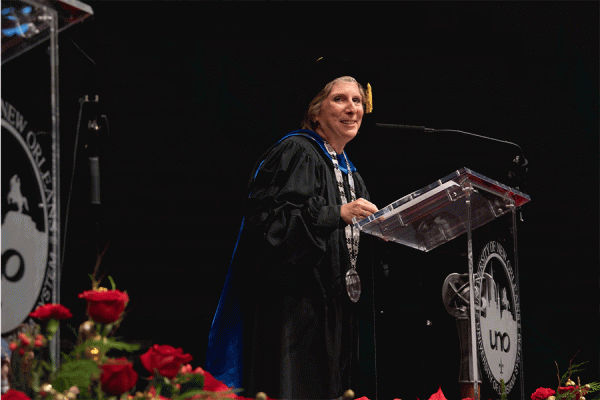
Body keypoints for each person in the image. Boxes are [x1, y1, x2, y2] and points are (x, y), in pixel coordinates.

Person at [206, 57, 378, 400]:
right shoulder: (297, 152)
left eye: (357, 100)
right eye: (339, 99)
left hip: (335, 311)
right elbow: (273, 228)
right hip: (295, 313)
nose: (352, 108)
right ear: (315, 111)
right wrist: (336, 214)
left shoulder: (350, 173)